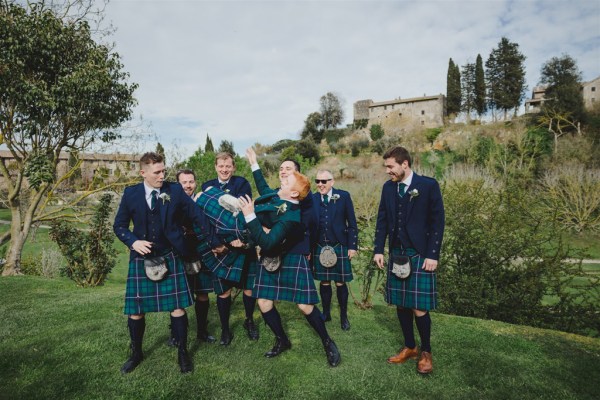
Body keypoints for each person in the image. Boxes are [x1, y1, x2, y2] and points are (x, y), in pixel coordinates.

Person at [196, 170, 341, 367]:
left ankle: (327, 342)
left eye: (287, 176)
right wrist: (254, 164)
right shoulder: (279, 196)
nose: (282, 177)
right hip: (272, 254)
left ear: (295, 192)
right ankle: (282, 339)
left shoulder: (301, 208)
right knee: (264, 302)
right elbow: (265, 191)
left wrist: (253, 219)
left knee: (305, 305)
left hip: (292, 254)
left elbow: (286, 233)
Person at [113, 152, 207, 374]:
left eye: (163, 170)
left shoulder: (172, 190)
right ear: (143, 172)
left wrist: (209, 240)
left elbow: (194, 215)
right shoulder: (131, 194)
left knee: (177, 307)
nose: (162, 175)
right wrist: (133, 241)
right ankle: (136, 353)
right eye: (157, 172)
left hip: (169, 254)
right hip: (141, 258)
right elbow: (119, 226)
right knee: (136, 311)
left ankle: (183, 353)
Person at [373, 146, 445, 375]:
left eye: (390, 166)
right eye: (386, 167)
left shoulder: (428, 185)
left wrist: (433, 254)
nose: (387, 171)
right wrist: (378, 250)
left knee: (419, 306)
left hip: (420, 254)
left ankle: (426, 352)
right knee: (401, 303)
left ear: (405, 164)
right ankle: (410, 346)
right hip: (397, 253)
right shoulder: (388, 188)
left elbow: (437, 222)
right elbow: (382, 220)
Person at [200, 152, 259, 345]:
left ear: (233, 167)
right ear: (215, 167)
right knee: (223, 291)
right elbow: (204, 220)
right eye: (221, 166)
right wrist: (218, 243)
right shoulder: (206, 187)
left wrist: (239, 239)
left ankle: (249, 321)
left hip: (243, 244)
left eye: (228, 167)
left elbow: (244, 214)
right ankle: (225, 329)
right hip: (221, 248)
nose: (224, 170)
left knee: (249, 288)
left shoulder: (242, 183)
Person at [164, 169, 216, 345]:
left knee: (202, 295)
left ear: (195, 182)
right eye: (184, 182)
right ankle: (176, 334)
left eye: (191, 182)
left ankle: (202, 330)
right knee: (177, 298)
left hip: (202, 251)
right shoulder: (170, 202)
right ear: (178, 184)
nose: (188, 185)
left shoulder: (203, 202)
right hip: (179, 252)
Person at [311, 169, 358, 331]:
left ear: (332, 181)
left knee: (340, 282)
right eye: (317, 181)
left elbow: (352, 224)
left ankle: (344, 316)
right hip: (319, 246)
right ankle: (326, 313)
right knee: (324, 282)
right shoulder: (312, 198)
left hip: (339, 245)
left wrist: (352, 246)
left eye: (324, 181)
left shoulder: (343, 196)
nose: (320, 184)